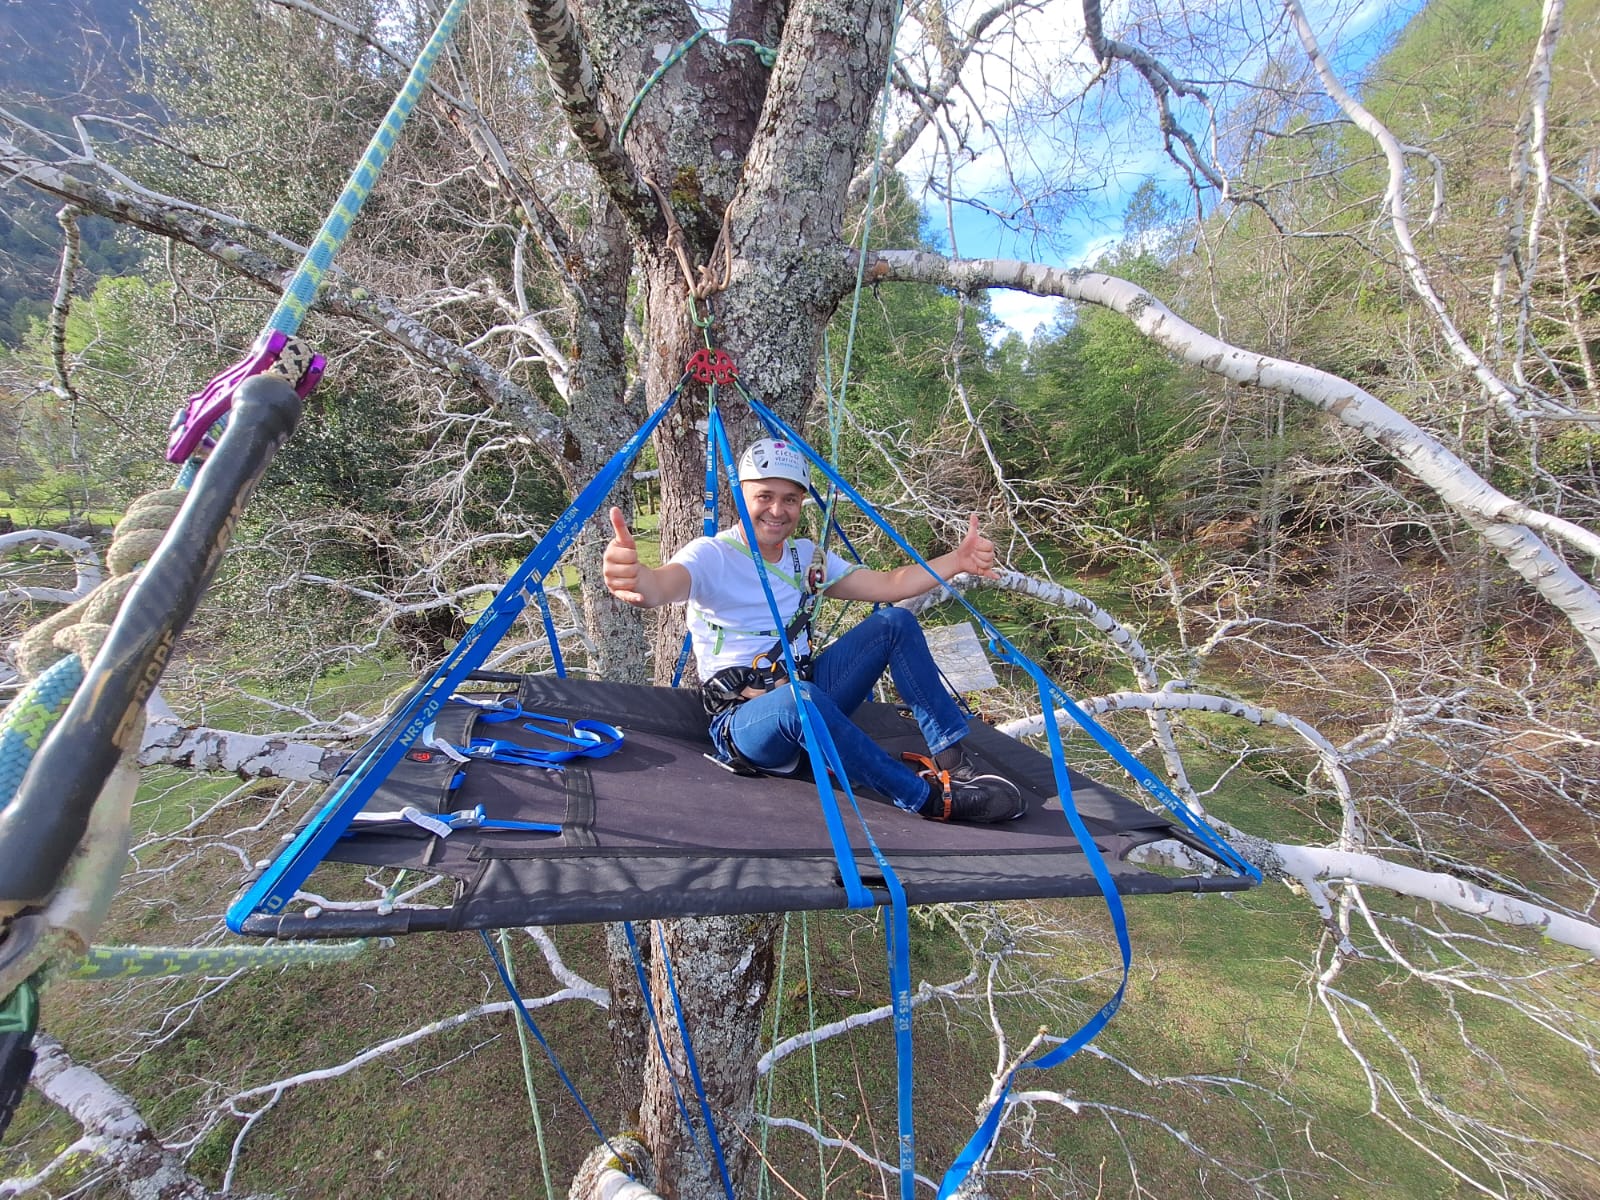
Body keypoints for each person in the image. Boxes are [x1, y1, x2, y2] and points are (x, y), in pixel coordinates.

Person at [602, 437, 1026, 823]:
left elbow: (888, 585)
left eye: (790, 499)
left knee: (894, 622)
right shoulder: (711, 556)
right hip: (748, 724)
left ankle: (952, 759)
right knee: (798, 700)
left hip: (808, 693)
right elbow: (660, 585)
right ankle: (928, 800)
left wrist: (957, 560)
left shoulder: (807, 557)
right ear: (740, 496)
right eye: (763, 496)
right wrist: (634, 580)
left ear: (801, 503)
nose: (777, 510)